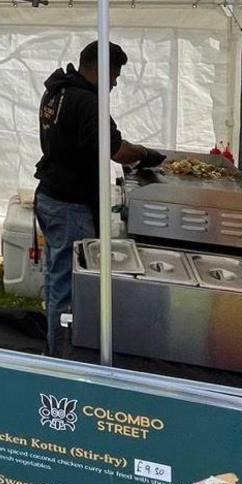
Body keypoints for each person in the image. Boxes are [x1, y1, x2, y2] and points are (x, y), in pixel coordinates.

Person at [34, 41, 165, 354]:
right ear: (102, 68)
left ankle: (53, 344)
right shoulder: (88, 102)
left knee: (56, 278)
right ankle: (63, 360)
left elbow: (100, 141)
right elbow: (115, 149)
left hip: (50, 196)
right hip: (70, 205)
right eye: (115, 74)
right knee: (69, 288)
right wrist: (147, 156)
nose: (116, 82)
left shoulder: (57, 90)